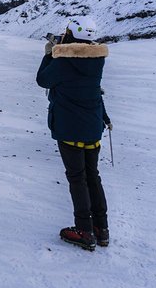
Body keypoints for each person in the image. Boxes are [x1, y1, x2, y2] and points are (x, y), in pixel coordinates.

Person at [36, 16, 112, 251]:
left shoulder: (64, 60)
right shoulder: (97, 59)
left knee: (77, 178)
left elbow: (42, 80)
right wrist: (104, 116)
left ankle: (84, 231)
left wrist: (50, 53)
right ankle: (102, 229)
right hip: (92, 127)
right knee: (92, 176)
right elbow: (93, 91)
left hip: (69, 128)